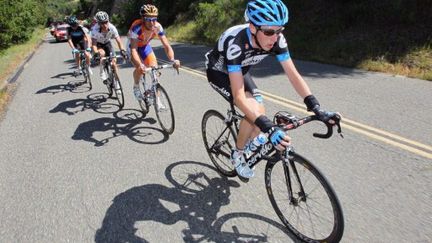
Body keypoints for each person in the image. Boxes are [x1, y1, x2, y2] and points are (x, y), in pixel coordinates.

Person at [205, 0, 339, 179]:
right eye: (269, 32)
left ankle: (249, 143)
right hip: (219, 72)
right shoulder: (236, 42)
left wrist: (316, 107)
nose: (275, 38)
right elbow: (238, 97)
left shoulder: (276, 39)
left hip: (241, 69)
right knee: (255, 111)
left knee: (259, 112)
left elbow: (293, 75)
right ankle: (237, 154)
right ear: (252, 27)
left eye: (279, 30)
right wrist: (269, 127)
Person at [127, 4, 180, 103]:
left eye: (154, 19)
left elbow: (166, 45)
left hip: (145, 46)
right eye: (148, 19)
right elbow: (134, 49)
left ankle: (157, 100)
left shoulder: (157, 26)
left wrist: (173, 59)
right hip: (133, 47)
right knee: (140, 68)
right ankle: (136, 86)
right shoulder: (137, 27)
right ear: (143, 19)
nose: (152, 22)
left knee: (155, 70)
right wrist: (140, 65)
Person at [90, 11, 127, 93]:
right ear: (98, 23)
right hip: (98, 45)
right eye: (102, 23)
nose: (105, 25)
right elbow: (94, 44)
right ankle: (102, 71)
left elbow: (119, 41)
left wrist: (122, 50)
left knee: (114, 63)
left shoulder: (112, 28)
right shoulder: (95, 30)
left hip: (107, 43)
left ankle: (117, 83)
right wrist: (96, 53)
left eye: (106, 22)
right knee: (102, 54)